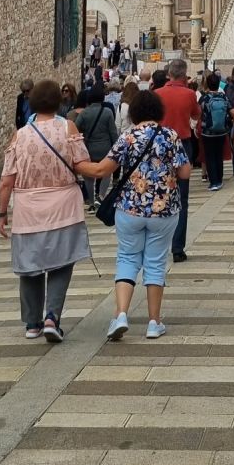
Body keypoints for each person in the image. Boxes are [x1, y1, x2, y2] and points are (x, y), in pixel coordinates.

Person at [0, 77, 96, 344]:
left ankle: (32, 323)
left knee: (30, 266)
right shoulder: (68, 127)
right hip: (64, 206)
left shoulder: (19, 135)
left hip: (28, 210)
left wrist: (1, 213)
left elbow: (7, 179)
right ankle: (52, 316)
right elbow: (82, 163)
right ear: (59, 101)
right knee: (62, 262)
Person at [103, 89, 191, 341]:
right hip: (163, 210)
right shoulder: (170, 135)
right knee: (155, 263)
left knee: (127, 258)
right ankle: (154, 322)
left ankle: (120, 314)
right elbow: (184, 173)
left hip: (129, 209)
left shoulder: (127, 136)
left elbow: (105, 168)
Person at [156, 58, 200, 262]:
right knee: (182, 198)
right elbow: (196, 115)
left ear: (168, 74)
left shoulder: (157, 94)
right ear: (183, 75)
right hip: (183, 144)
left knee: (158, 194)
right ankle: (177, 248)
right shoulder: (190, 94)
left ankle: (158, 244)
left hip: (160, 147)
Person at [74, 85, 118, 209]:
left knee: (89, 176)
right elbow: (113, 132)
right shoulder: (108, 112)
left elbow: (76, 130)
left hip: (89, 148)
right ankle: (101, 196)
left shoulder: (84, 113)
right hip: (105, 148)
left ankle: (92, 202)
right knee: (106, 173)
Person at [198, 72, 230, 191]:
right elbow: (231, 110)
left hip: (208, 131)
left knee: (210, 156)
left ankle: (214, 182)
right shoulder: (224, 97)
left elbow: (198, 113)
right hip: (222, 131)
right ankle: (220, 179)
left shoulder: (204, 98)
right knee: (218, 155)